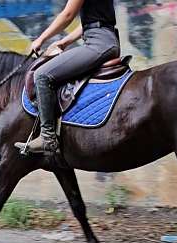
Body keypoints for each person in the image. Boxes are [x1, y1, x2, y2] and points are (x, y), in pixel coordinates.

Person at [14, 0, 120, 156]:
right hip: (103, 39)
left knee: (42, 75)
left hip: (98, 43)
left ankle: (47, 138)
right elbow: (91, 23)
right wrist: (64, 42)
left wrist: (40, 39)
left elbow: (68, 14)